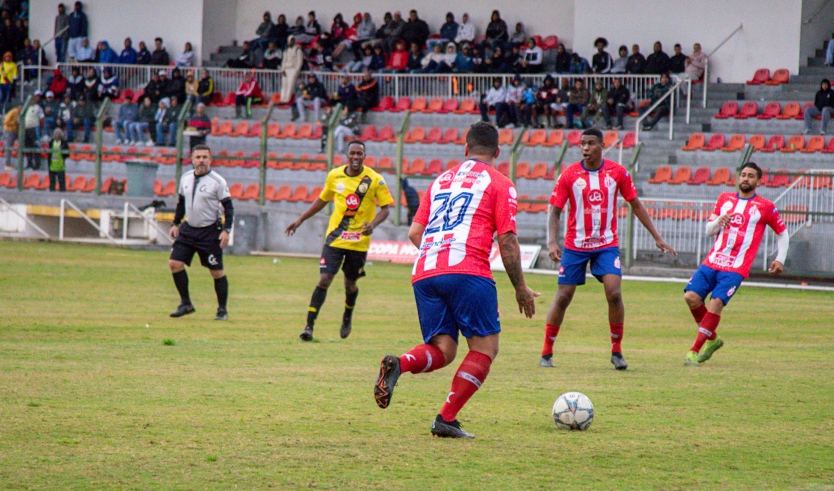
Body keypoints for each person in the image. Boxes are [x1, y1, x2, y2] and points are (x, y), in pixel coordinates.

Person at [373, 122, 539, 439]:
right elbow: (507, 242)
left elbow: (414, 233)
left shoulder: (439, 181)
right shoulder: (500, 183)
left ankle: (401, 364)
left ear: (465, 150)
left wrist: (440, 257)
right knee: (485, 348)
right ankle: (446, 418)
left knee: (444, 349)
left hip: (425, 270)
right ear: (498, 153)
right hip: (468, 269)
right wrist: (521, 288)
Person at [541, 128, 676, 369]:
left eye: (591, 143)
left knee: (614, 293)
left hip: (606, 244)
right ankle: (546, 352)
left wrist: (657, 237)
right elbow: (555, 211)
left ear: (602, 145)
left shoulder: (617, 173)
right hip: (576, 245)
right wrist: (552, 241)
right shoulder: (569, 175)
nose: (585, 148)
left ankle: (616, 351)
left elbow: (636, 204)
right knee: (563, 297)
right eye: (582, 144)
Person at [285, 140, 394, 341]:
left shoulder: (374, 179)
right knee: (325, 279)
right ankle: (308, 327)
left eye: (359, 154)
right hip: (335, 238)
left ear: (364, 156)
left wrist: (373, 224)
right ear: (347, 155)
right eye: (352, 153)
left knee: (350, 285)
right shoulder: (335, 176)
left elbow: (386, 208)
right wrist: (300, 220)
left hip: (359, 241)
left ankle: (347, 316)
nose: (355, 157)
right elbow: (322, 199)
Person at [683, 162, 788, 367]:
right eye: (743, 175)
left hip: (736, 267)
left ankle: (694, 351)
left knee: (716, 303)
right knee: (691, 297)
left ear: (758, 181)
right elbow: (709, 230)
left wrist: (780, 258)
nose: (745, 179)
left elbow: (782, 233)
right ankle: (713, 340)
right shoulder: (725, 199)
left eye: (750, 176)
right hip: (712, 261)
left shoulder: (765, 207)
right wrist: (718, 222)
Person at [168, 144, 234, 321]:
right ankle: (186, 304)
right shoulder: (186, 178)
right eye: (198, 157)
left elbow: (229, 207)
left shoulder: (218, 182)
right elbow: (181, 202)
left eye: (205, 157)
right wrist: (175, 223)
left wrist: (226, 230)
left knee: (216, 272)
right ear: (192, 159)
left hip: (209, 232)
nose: (201, 160)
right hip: (188, 229)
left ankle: (222, 310)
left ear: (210, 160)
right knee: (174, 263)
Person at [23, 91, 44, 170]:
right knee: (27, 146)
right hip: (26, 129)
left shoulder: (38, 108)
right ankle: (29, 163)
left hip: (34, 128)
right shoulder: (25, 108)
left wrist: (40, 126)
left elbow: (42, 118)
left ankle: (37, 164)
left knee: (36, 146)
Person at [279, 35, 303, 104]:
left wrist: (296, 71)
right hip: (286, 69)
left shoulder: (298, 50)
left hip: (293, 69)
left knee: (290, 84)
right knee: (284, 85)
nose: (292, 42)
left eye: (293, 40)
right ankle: (282, 99)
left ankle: (287, 100)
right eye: (291, 40)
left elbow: (299, 62)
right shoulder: (286, 51)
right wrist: (282, 70)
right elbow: (283, 61)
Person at [0, 51, 16, 116]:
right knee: (0, 97)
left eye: (9, 57)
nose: (7, 58)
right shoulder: (2, 64)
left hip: (9, 83)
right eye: (6, 57)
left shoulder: (13, 65)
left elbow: (15, 75)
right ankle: (0, 112)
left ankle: (7, 112)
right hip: (2, 83)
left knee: (8, 99)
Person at [2, 105, 19, 170]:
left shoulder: (20, 113)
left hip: (16, 131)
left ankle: (16, 164)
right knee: (8, 147)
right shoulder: (13, 112)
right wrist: (14, 123)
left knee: (18, 147)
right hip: (9, 130)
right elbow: (6, 121)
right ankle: (7, 164)